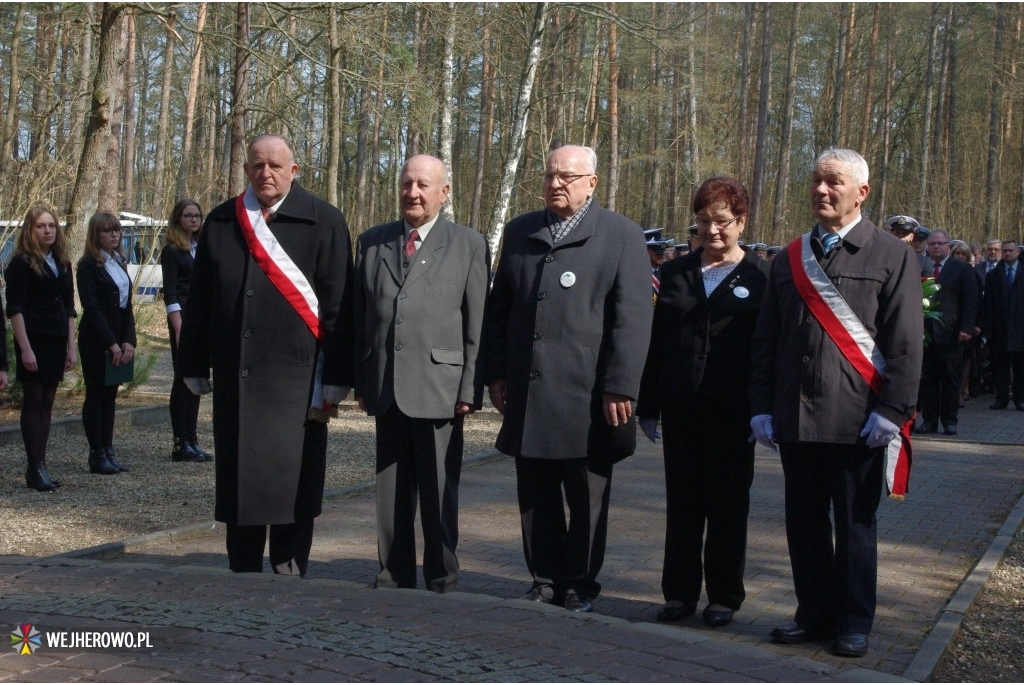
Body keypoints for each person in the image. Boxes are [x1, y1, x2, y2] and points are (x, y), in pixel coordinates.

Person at [749, 148, 923, 658]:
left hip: (856, 419)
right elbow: (767, 340)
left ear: (861, 193)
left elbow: (907, 344)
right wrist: (761, 406)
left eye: (835, 183)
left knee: (854, 526)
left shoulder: (892, 255)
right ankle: (814, 613)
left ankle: (853, 621)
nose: (822, 191)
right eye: (817, 181)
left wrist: (893, 412)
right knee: (803, 525)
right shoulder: (789, 256)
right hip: (796, 417)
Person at [178, 134, 354, 576]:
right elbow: (199, 303)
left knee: (295, 480)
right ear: (246, 169)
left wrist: (339, 373)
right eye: (257, 165)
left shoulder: (325, 222)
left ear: (294, 171)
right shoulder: (221, 222)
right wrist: (193, 363)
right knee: (242, 481)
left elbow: (339, 306)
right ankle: (242, 567)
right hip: (239, 379)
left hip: (299, 384)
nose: (266, 173)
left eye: (276, 166)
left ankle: (289, 565)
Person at [486, 144, 652, 613]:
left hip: (591, 396)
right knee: (535, 494)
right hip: (531, 391)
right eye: (550, 175)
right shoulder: (521, 231)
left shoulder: (620, 235)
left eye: (568, 176)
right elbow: (500, 311)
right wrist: (497, 373)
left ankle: (580, 583)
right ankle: (543, 579)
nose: (556, 183)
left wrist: (621, 384)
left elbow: (633, 319)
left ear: (591, 183)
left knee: (586, 497)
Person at [636, 176, 769, 628]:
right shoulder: (674, 273)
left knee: (729, 505)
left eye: (722, 222)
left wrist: (762, 409)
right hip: (682, 406)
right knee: (684, 503)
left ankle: (724, 597)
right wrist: (648, 405)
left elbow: (765, 351)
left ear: (742, 221)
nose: (712, 231)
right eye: (703, 222)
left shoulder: (761, 277)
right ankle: (679, 593)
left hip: (734, 412)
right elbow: (656, 344)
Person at [353, 154, 488, 593]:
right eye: (407, 183)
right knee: (390, 490)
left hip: (441, 388)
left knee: (438, 490)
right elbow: (362, 318)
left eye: (423, 185)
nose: (413, 192)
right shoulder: (372, 242)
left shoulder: (468, 243)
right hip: (387, 384)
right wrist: (363, 378)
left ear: (444, 192)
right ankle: (393, 572)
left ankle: (441, 575)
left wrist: (470, 386)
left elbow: (476, 323)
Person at [4, 205, 76, 491]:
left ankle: (42, 464)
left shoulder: (62, 260)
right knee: (33, 401)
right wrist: (25, 349)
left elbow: (70, 307)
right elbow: (15, 309)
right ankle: (34, 467)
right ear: (30, 230)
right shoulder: (21, 263)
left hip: (57, 338)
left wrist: (72, 346)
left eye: (51, 226)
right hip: (33, 339)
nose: (47, 231)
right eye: (41, 226)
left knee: (47, 402)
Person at [77, 212, 137, 475]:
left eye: (116, 230)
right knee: (96, 393)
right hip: (95, 339)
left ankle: (109, 449)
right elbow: (91, 307)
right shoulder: (88, 265)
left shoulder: (120, 262)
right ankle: (97, 452)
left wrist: (128, 341)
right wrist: (110, 343)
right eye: (107, 231)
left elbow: (127, 307)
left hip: (118, 337)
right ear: (95, 235)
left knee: (110, 395)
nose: (114, 235)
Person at [160, 199, 212, 463]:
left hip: (201, 321)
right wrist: (179, 327)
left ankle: (192, 439)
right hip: (182, 321)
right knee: (182, 380)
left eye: (197, 215)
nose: (193, 220)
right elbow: (170, 293)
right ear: (177, 219)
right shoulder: (172, 251)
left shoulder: (201, 248)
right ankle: (180, 441)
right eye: (188, 215)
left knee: (196, 379)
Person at [917, 230, 978, 436]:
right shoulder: (921, 267)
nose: (935, 247)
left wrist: (966, 328)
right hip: (925, 334)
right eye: (932, 243)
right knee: (928, 380)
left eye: (940, 244)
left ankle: (950, 421)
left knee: (950, 380)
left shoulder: (961, 269)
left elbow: (970, 301)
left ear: (948, 246)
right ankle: (929, 420)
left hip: (951, 333)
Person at [982, 240, 1024, 410]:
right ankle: (1001, 399)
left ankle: (1020, 399)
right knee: (1000, 366)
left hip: (1021, 328)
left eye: (1010, 251)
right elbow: (988, 304)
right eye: (1005, 251)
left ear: (1018, 253)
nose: (1007, 254)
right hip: (1000, 328)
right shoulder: (994, 275)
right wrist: (988, 328)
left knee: (1020, 366)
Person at [950, 240, 983, 404]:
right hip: (950, 324)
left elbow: (975, 300)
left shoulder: (972, 273)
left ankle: (962, 391)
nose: (960, 257)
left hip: (967, 324)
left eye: (963, 254)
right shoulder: (945, 271)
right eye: (957, 253)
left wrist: (974, 324)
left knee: (966, 359)